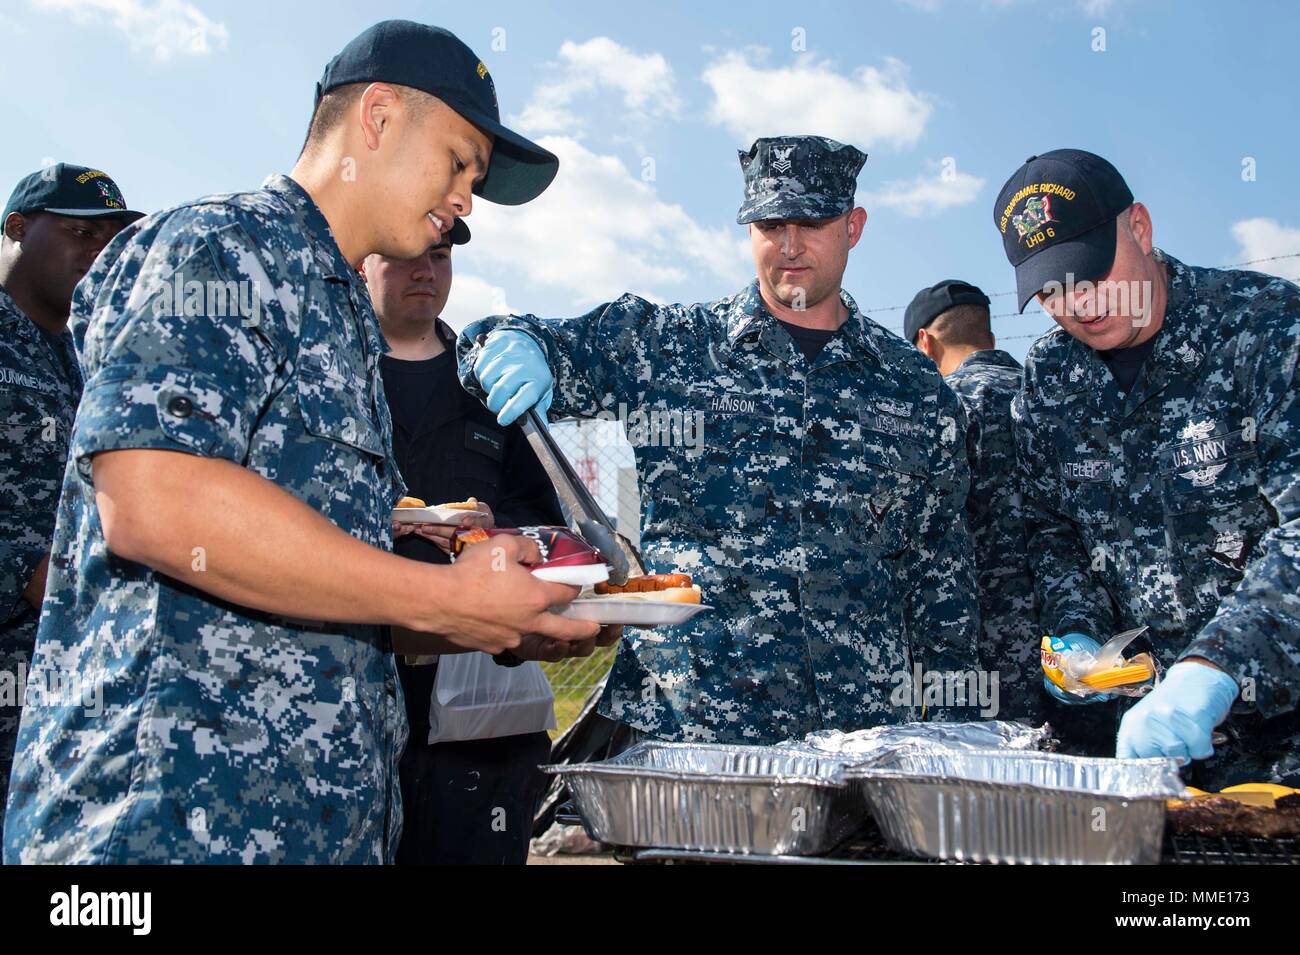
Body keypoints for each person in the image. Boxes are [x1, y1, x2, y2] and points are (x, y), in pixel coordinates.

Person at [3, 20, 603, 865]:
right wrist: (437, 599)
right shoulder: (220, 248)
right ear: (381, 117)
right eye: (460, 161)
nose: (466, 197)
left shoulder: (343, 315)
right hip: (158, 834)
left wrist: (499, 616)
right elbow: (152, 498)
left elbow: (321, 602)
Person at [458, 136, 981, 746]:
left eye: (811, 222)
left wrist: (951, 733)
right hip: (690, 733)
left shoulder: (912, 387)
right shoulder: (670, 347)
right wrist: (505, 345)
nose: (789, 246)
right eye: (769, 223)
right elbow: (509, 334)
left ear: (853, 227)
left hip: (859, 742)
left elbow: (939, 574)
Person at [999, 148, 1299, 786]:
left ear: (1139, 227)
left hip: (1283, 743)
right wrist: (1076, 633)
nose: (1076, 304)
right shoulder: (1051, 380)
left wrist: (1216, 666)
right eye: (1050, 290)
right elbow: (1051, 531)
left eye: (1089, 273)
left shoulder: (1268, 330)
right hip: (1140, 755)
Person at [362, 223, 576, 864]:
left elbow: (551, 532)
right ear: (364, 264)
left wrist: (493, 531)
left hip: (477, 720)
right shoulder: (327, 381)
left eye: (440, 254)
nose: (425, 270)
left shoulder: (490, 392)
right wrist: (385, 521)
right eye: (403, 256)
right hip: (352, 702)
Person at [0, 164, 142, 832]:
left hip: (73, 680)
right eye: (81, 233)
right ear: (18, 230)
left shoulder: (100, 357)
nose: (97, 253)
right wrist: (29, 575)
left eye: (109, 240)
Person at [904, 280, 1042, 724]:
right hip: (1074, 655)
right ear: (991, 337)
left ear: (924, 344)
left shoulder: (946, 406)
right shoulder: (1048, 395)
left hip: (976, 656)